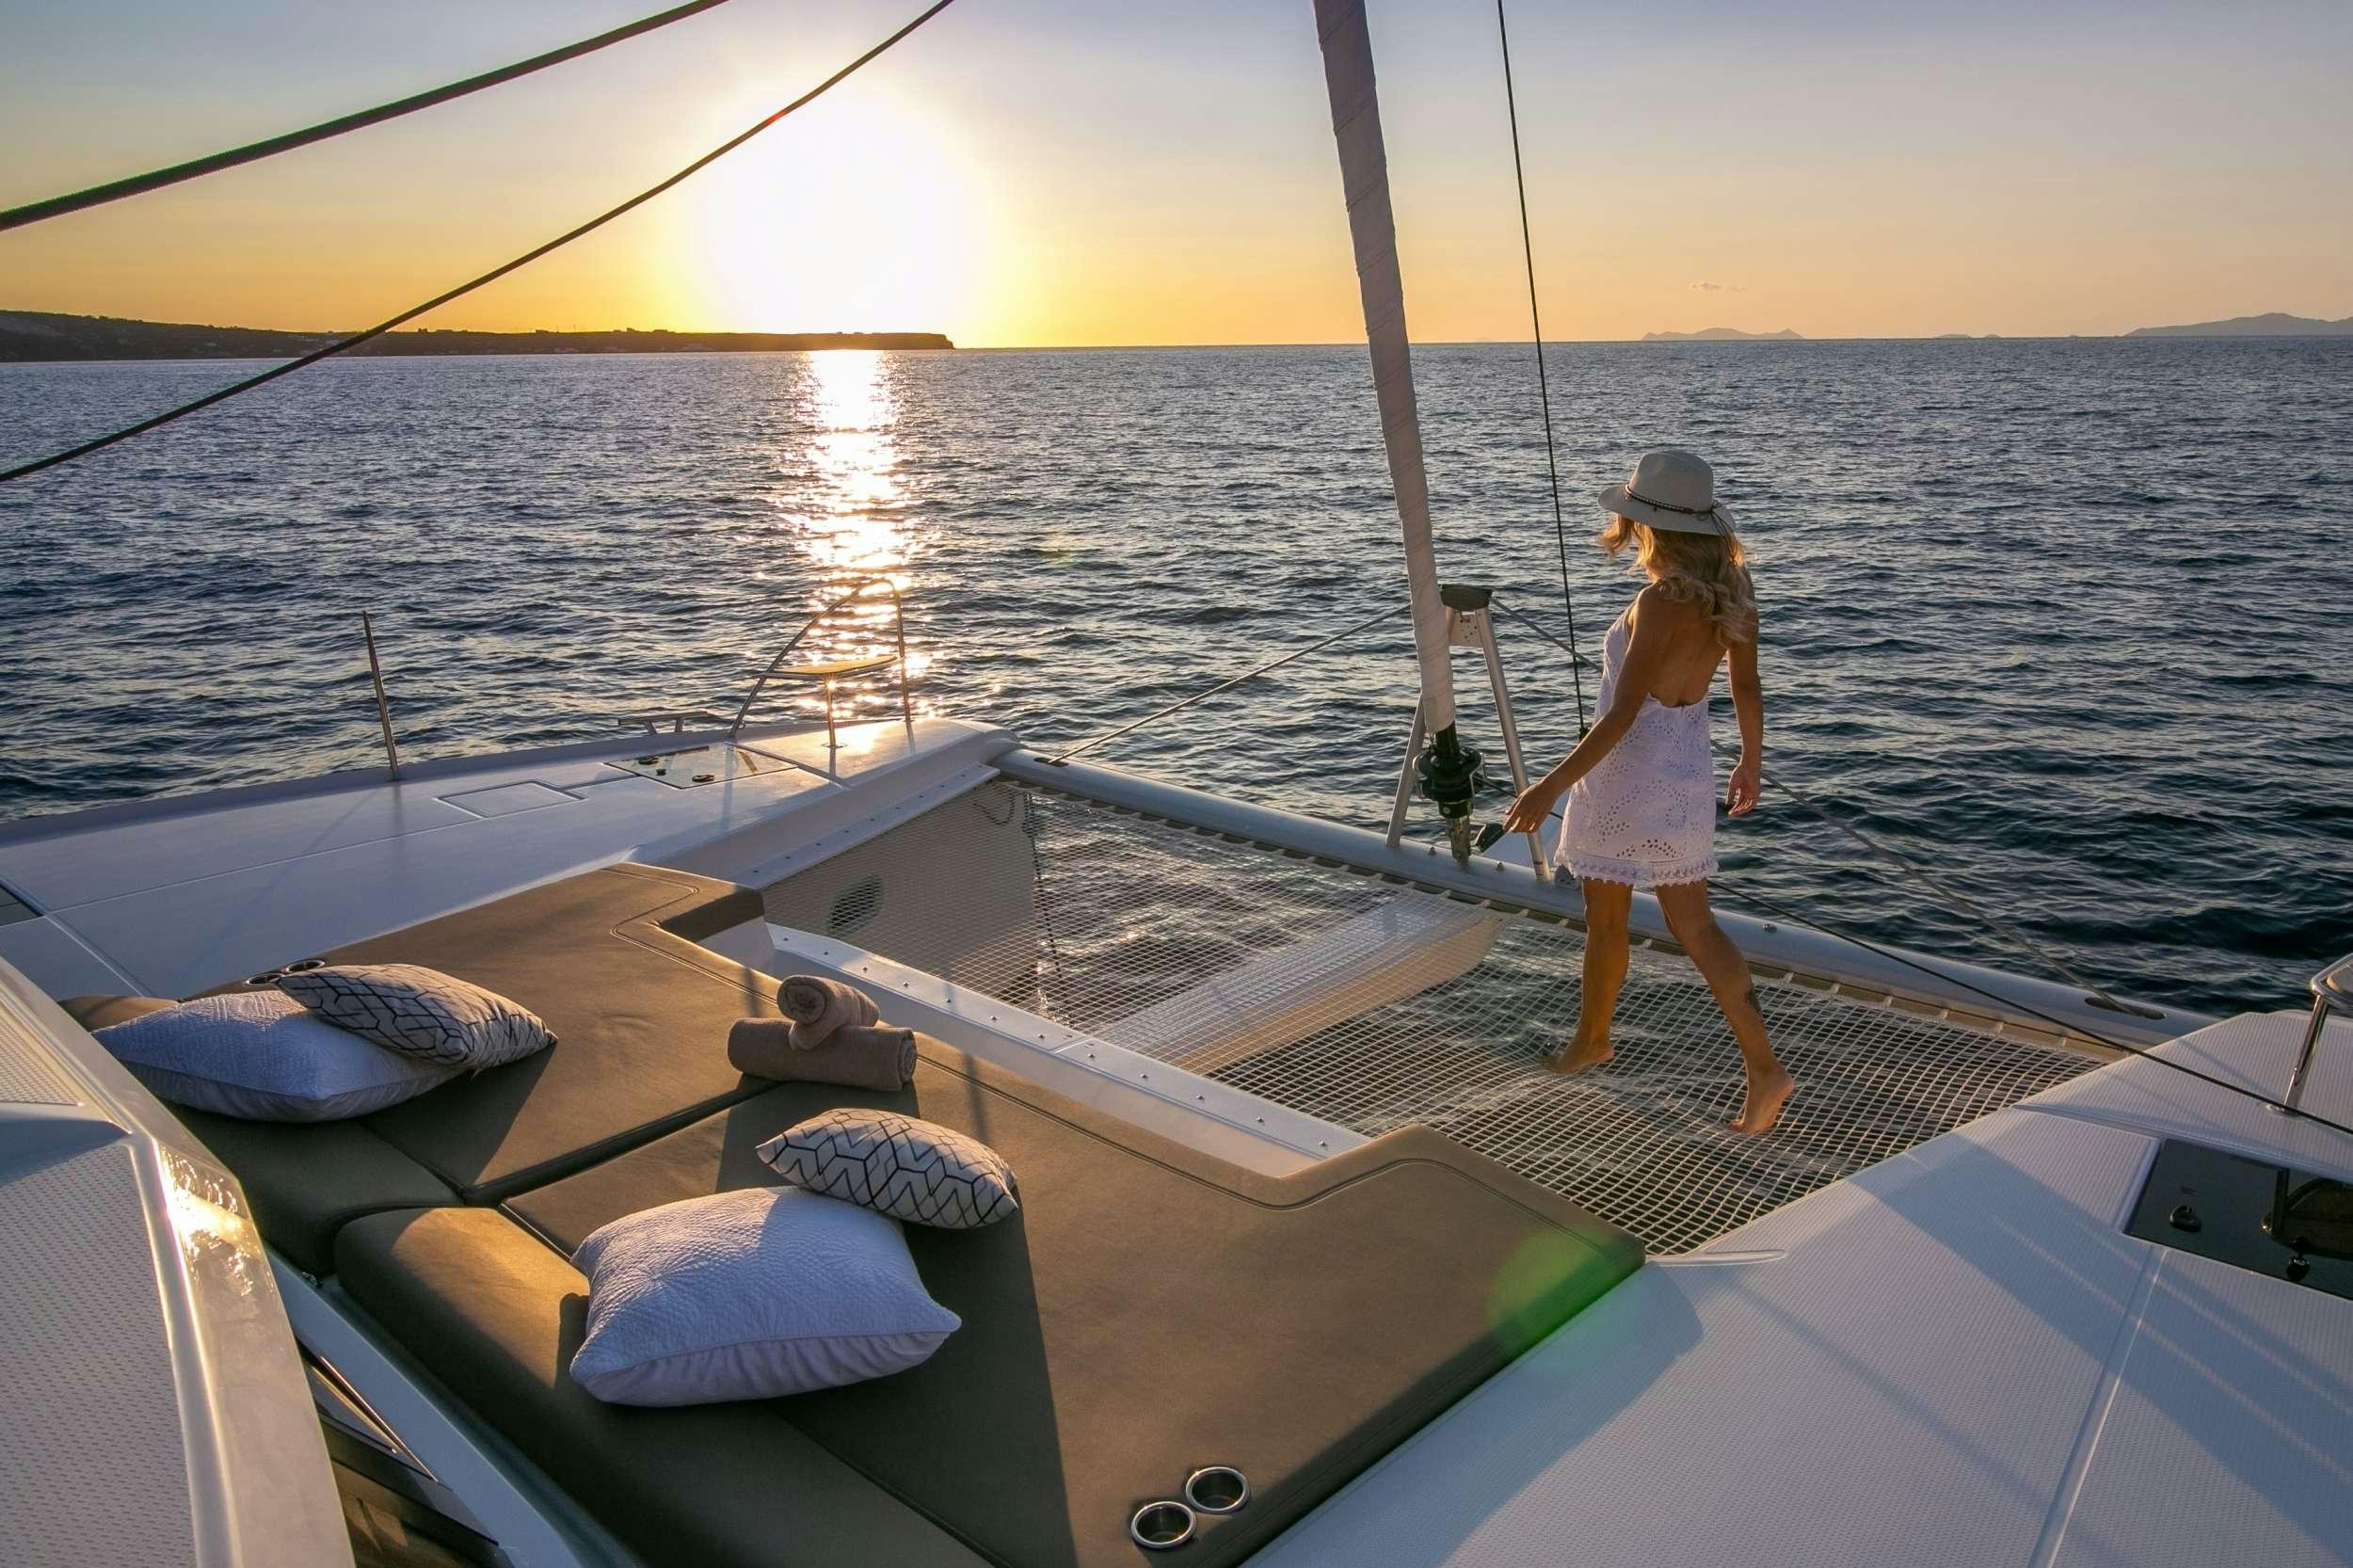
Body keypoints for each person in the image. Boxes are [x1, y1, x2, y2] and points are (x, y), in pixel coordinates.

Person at [1501, 448, 1796, 1135]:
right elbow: (1745, 688)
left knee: (1607, 920)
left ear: (1648, 526)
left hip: (1625, 779)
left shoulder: (1658, 603)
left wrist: (1548, 787)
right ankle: (1763, 1069)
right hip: (1686, 777)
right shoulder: (1735, 594)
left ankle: (1591, 1041)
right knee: (1696, 924)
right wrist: (1751, 761)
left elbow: (1621, 715)